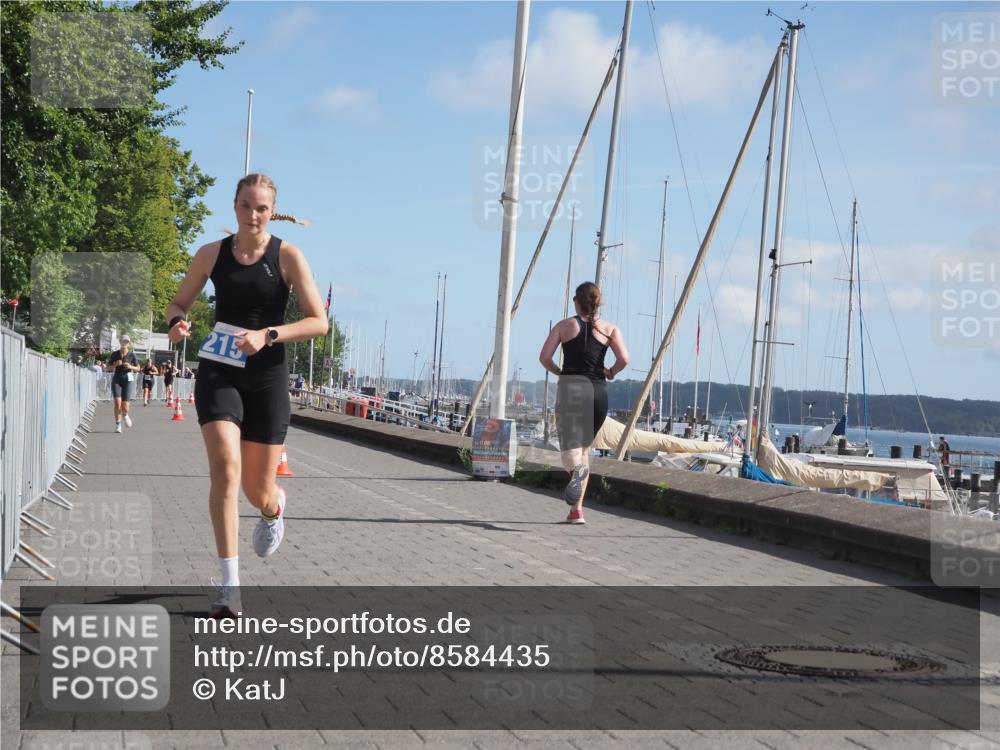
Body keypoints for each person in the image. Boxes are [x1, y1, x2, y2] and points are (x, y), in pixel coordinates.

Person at [166, 173, 325, 618]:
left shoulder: (288, 256)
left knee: (258, 490)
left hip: (267, 377)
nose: (253, 215)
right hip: (219, 371)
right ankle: (229, 585)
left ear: (272, 211)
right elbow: (177, 303)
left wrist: (269, 334)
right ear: (233, 207)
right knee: (225, 467)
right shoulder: (211, 254)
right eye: (245, 206)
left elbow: (318, 322)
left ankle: (273, 510)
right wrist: (176, 324)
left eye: (261, 208)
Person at [539, 282, 629, 525]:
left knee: (570, 450)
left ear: (577, 302)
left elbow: (544, 357)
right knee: (584, 450)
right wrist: (611, 371)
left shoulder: (565, 325)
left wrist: (559, 370)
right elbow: (624, 358)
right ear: (598, 303)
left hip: (571, 387)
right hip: (598, 391)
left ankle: (575, 474)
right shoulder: (610, 329)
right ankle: (576, 511)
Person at [107, 335, 140, 433]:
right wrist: (115, 365)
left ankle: (125, 415)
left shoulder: (131, 355)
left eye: (126, 342)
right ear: (120, 342)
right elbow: (108, 368)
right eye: (123, 341)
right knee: (117, 403)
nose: (124, 343)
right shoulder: (115, 354)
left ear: (128, 343)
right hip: (117, 378)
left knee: (125, 406)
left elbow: (138, 368)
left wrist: (130, 366)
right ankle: (118, 425)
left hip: (128, 379)